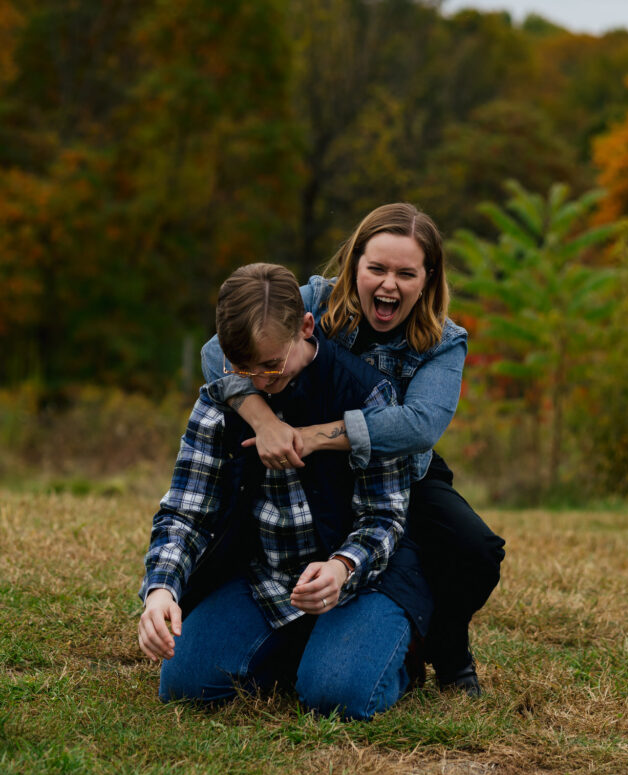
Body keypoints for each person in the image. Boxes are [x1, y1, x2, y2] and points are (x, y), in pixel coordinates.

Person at [201, 203, 506, 696]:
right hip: (301, 470)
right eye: (377, 269)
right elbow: (217, 351)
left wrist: (311, 434)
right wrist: (265, 422)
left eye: (406, 273)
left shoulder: (443, 341)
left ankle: (446, 647)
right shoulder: (314, 303)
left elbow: (419, 425)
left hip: (401, 470)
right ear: (354, 265)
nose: (389, 285)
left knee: (475, 548)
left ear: (428, 279)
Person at [139, 263, 432, 719]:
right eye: (242, 368)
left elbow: (384, 518)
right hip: (268, 577)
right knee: (185, 686)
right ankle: (304, 649)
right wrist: (161, 590)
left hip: (359, 582)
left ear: (306, 327)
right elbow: (184, 512)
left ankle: (391, 649)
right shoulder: (222, 397)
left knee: (336, 697)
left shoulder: (367, 393)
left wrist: (341, 567)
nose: (257, 382)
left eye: (272, 366)